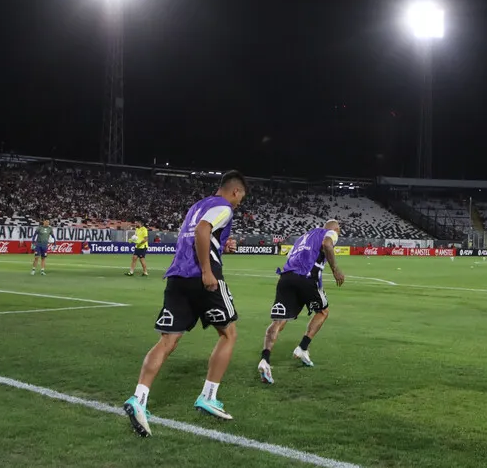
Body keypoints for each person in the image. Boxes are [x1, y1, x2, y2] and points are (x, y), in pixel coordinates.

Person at [123, 170, 247, 437]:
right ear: (235, 191)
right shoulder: (224, 206)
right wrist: (206, 270)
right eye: (241, 197)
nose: (239, 202)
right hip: (202, 279)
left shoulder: (197, 206)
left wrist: (221, 246)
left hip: (177, 277)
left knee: (167, 341)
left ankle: (139, 399)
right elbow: (203, 230)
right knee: (228, 333)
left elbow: (196, 235)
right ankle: (208, 396)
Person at [258, 220, 345, 384]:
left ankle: (265, 360)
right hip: (306, 278)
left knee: (279, 321)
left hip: (286, 277)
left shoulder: (304, 237)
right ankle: (302, 347)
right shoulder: (330, 233)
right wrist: (335, 270)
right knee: (323, 311)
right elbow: (327, 244)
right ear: (336, 229)